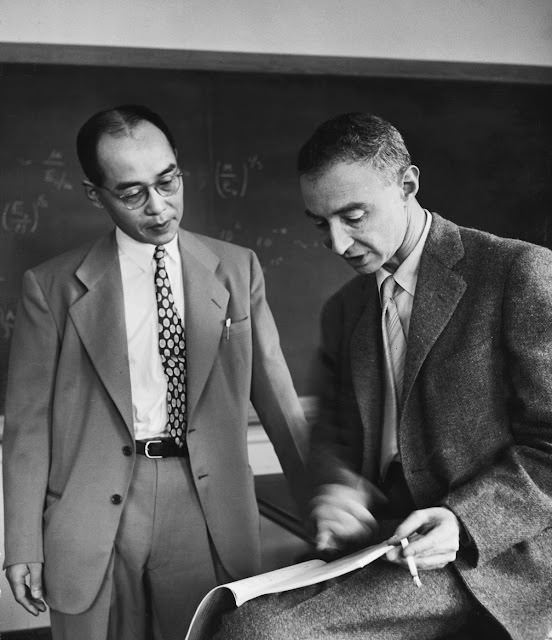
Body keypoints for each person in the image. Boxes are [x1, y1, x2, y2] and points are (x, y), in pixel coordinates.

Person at [212, 113, 552, 640]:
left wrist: (463, 522)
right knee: (232, 616)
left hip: (495, 556)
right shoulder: (345, 308)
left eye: (353, 216)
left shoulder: (518, 273)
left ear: (408, 185)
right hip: (387, 538)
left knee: (256, 631)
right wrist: (340, 487)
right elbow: (337, 436)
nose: (339, 244)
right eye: (320, 224)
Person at [2, 104, 309, 640]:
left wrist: (319, 502)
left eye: (168, 181)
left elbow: (279, 400)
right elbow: (28, 424)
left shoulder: (238, 269)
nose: (160, 206)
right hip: (89, 510)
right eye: (132, 193)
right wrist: (22, 544)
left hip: (206, 501)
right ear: (95, 194)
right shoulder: (48, 287)